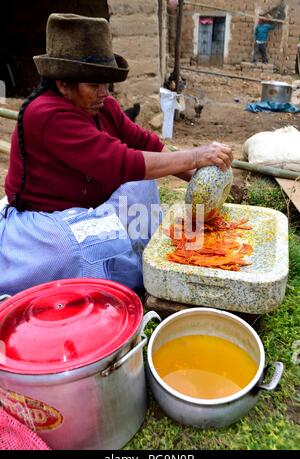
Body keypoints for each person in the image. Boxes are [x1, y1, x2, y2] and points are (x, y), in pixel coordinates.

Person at [0, 13, 233, 295]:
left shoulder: (103, 106)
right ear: (62, 84)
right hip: (47, 221)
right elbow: (120, 162)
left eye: (106, 84)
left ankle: (125, 261)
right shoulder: (46, 115)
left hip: (90, 206)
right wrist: (196, 156)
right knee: (74, 251)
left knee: (141, 185)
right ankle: (103, 283)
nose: (104, 93)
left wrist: (200, 178)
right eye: (93, 85)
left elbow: (144, 142)